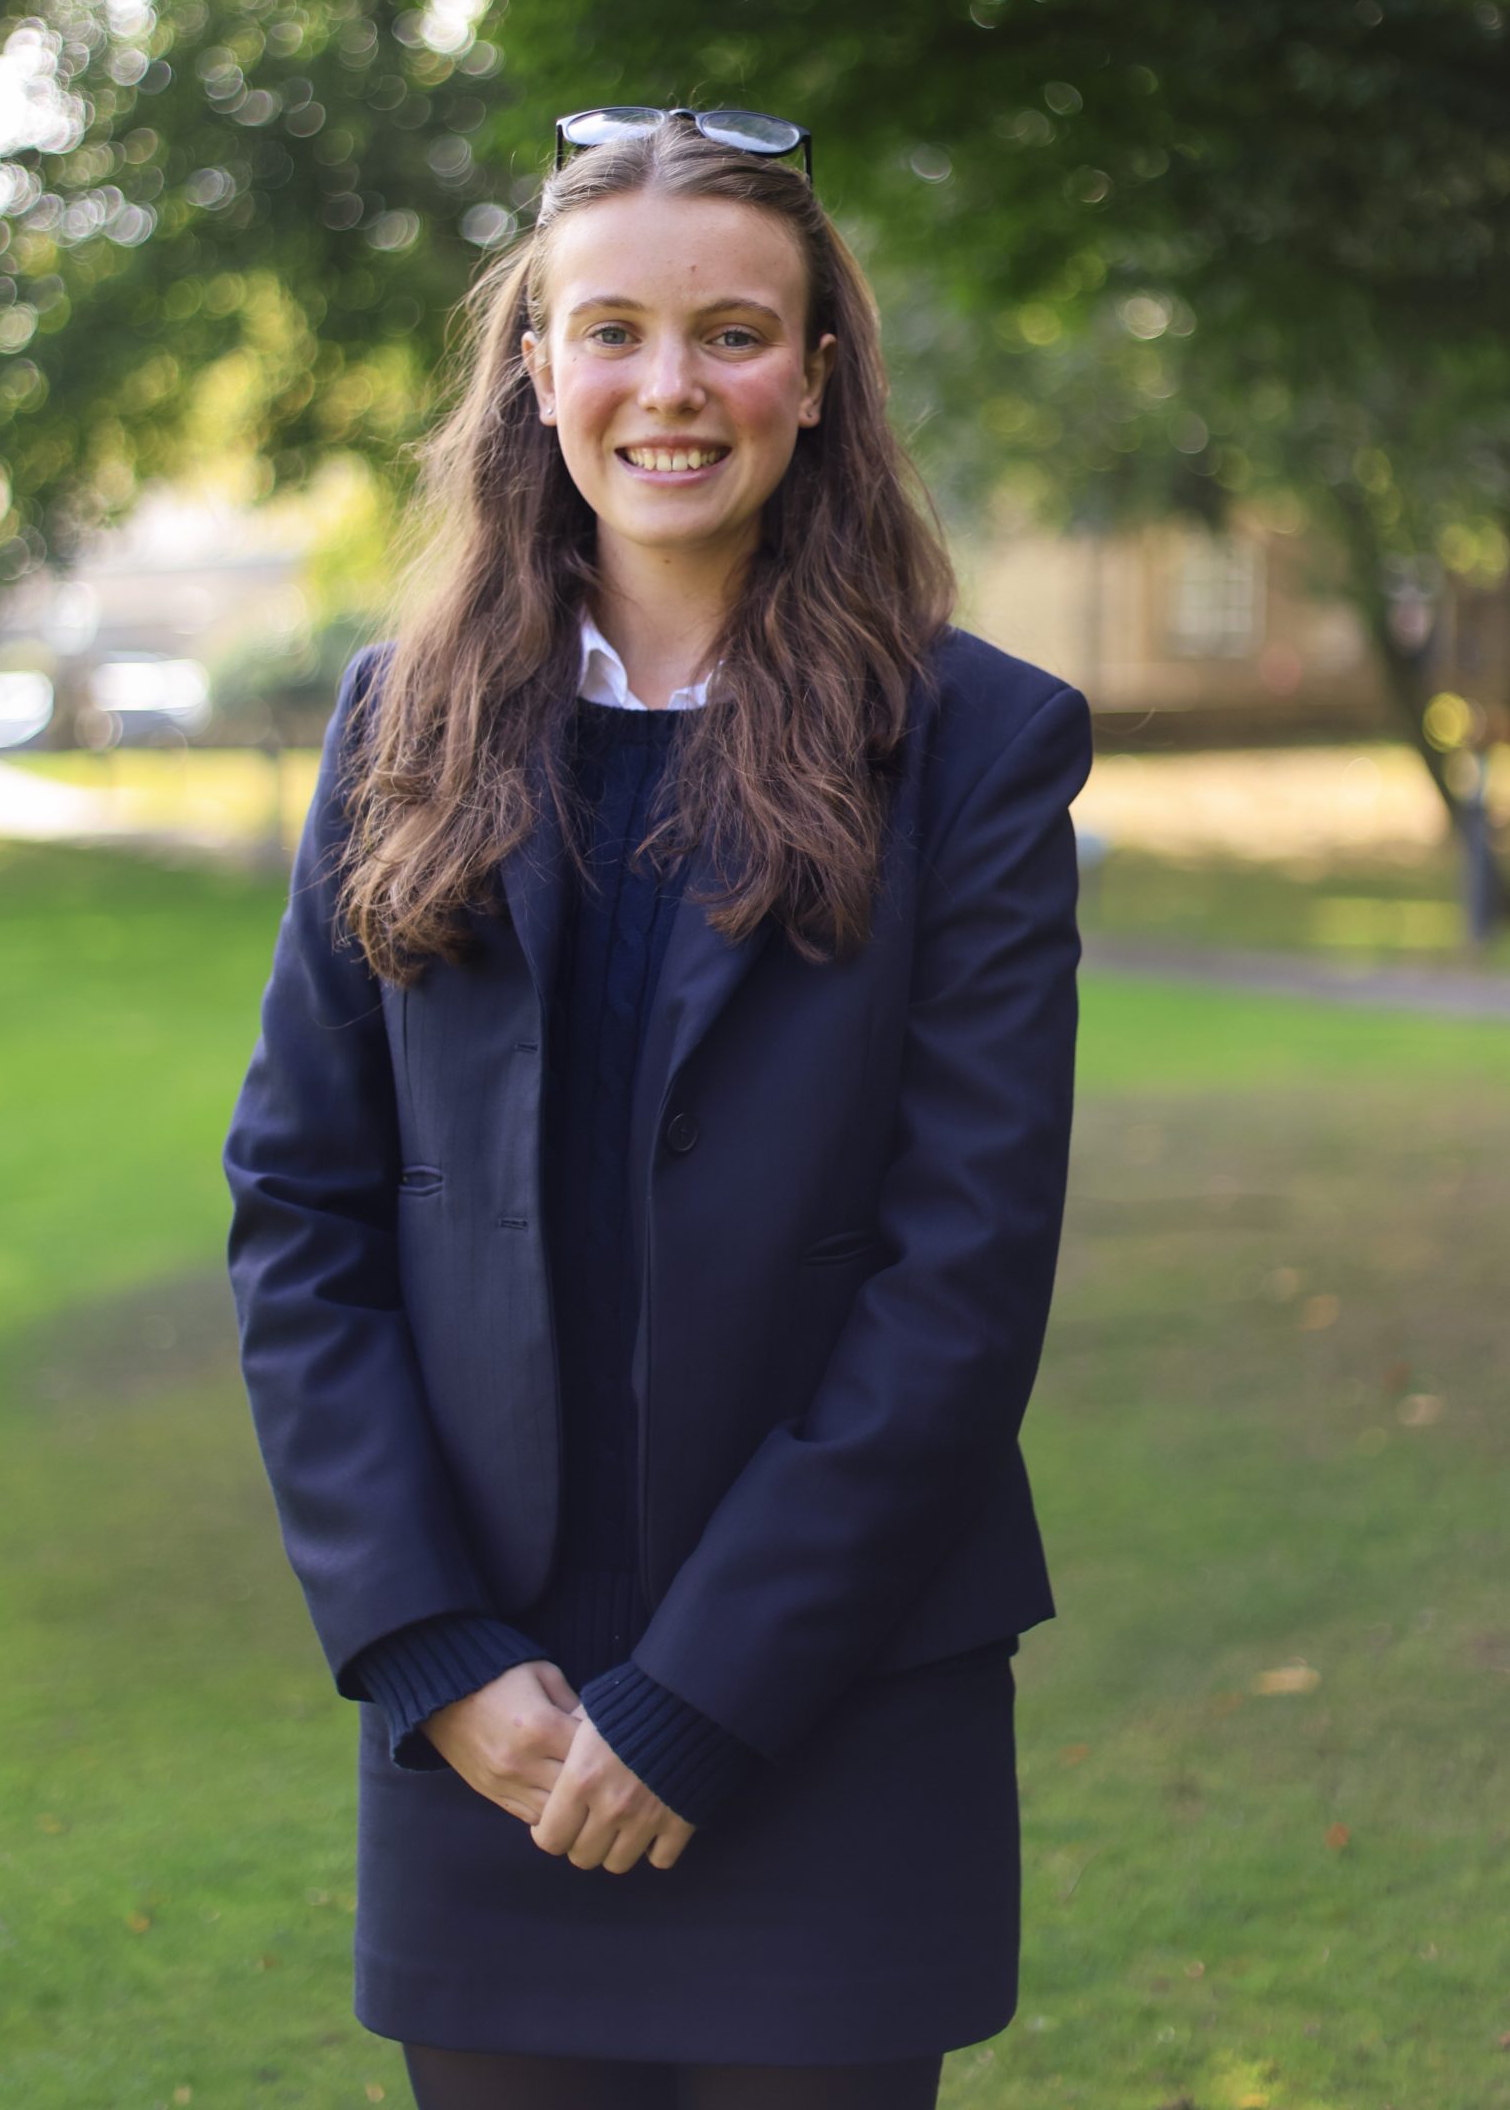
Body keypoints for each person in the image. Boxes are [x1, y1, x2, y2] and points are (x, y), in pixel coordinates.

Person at [222, 105, 1095, 2110]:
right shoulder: (398, 718)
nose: (667, 387)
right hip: (488, 1723)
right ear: (535, 373)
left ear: (814, 377)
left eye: (730, 331)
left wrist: (702, 1699)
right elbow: (299, 1205)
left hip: (834, 1701)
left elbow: (955, 1279)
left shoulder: (973, 743)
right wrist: (432, 1654)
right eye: (606, 329)